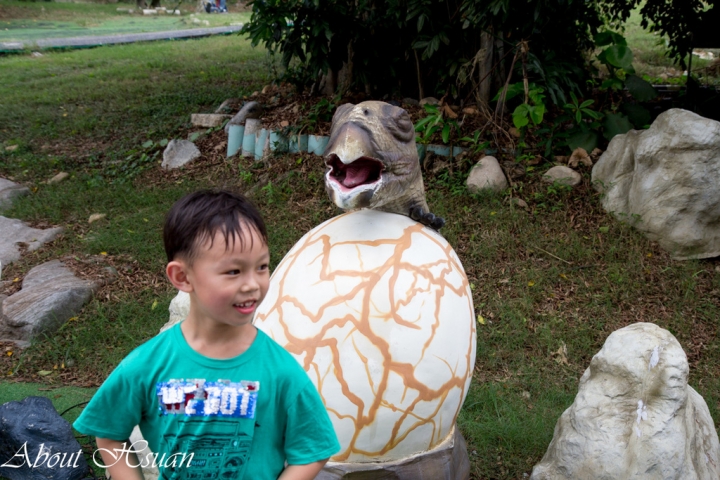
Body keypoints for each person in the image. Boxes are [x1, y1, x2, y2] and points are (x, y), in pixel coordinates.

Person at [74, 190, 340, 480]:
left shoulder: (280, 371)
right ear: (182, 277)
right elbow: (110, 434)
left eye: (262, 266)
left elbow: (314, 450)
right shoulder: (146, 365)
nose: (253, 284)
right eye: (233, 271)